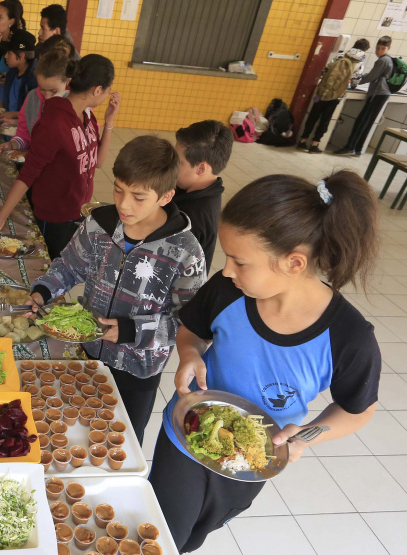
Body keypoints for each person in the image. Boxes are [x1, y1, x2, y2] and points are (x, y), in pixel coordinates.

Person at [150, 171, 381, 553]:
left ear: (293, 263)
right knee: (163, 532)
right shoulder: (228, 290)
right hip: (186, 432)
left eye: (240, 262)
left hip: (251, 460)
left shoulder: (349, 337)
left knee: (196, 534)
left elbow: (359, 409)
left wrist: (307, 435)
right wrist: (189, 354)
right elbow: (191, 330)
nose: (226, 270)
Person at [30, 135, 205, 444]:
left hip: (138, 370)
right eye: (119, 190)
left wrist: (129, 330)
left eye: (138, 197)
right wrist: (43, 291)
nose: (124, 204)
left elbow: (186, 323)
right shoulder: (99, 223)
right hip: (88, 353)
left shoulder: (184, 251)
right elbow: (70, 265)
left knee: (120, 440)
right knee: (74, 433)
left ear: (165, 196)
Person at [0, 54, 120, 260]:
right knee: (49, 266)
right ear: (97, 90)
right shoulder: (53, 123)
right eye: (107, 90)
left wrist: (109, 122)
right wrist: (0, 219)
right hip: (54, 215)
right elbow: (28, 174)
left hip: (78, 209)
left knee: (65, 266)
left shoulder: (87, 115)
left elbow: (98, 162)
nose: (107, 95)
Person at [170, 120, 233, 273]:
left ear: (201, 168)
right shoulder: (194, 191)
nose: (171, 165)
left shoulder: (193, 218)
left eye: (179, 162)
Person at [0, 36, 74, 155]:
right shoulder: (33, 97)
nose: (47, 96)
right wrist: (12, 144)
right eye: (42, 89)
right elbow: (24, 134)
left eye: (53, 91)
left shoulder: (75, 104)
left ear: (67, 81)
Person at [299, 39, 369, 154]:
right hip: (337, 95)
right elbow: (355, 82)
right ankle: (315, 145)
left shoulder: (341, 56)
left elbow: (325, 70)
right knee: (325, 119)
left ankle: (302, 141)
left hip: (323, 91)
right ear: (365, 50)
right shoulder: (359, 64)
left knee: (313, 116)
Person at [334, 36, 394, 156]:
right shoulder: (389, 60)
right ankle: (358, 149)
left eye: (382, 48)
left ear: (388, 48)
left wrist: (352, 81)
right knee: (368, 122)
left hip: (377, 94)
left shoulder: (383, 60)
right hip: (383, 93)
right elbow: (373, 75)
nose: (379, 51)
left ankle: (349, 147)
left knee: (362, 121)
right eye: (377, 48)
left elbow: (371, 76)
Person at [0, 28, 37, 114]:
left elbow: (33, 111)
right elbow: (12, 103)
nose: (5, 56)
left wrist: (12, 116)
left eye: (9, 53)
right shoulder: (12, 73)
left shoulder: (33, 78)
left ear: (22, 56)